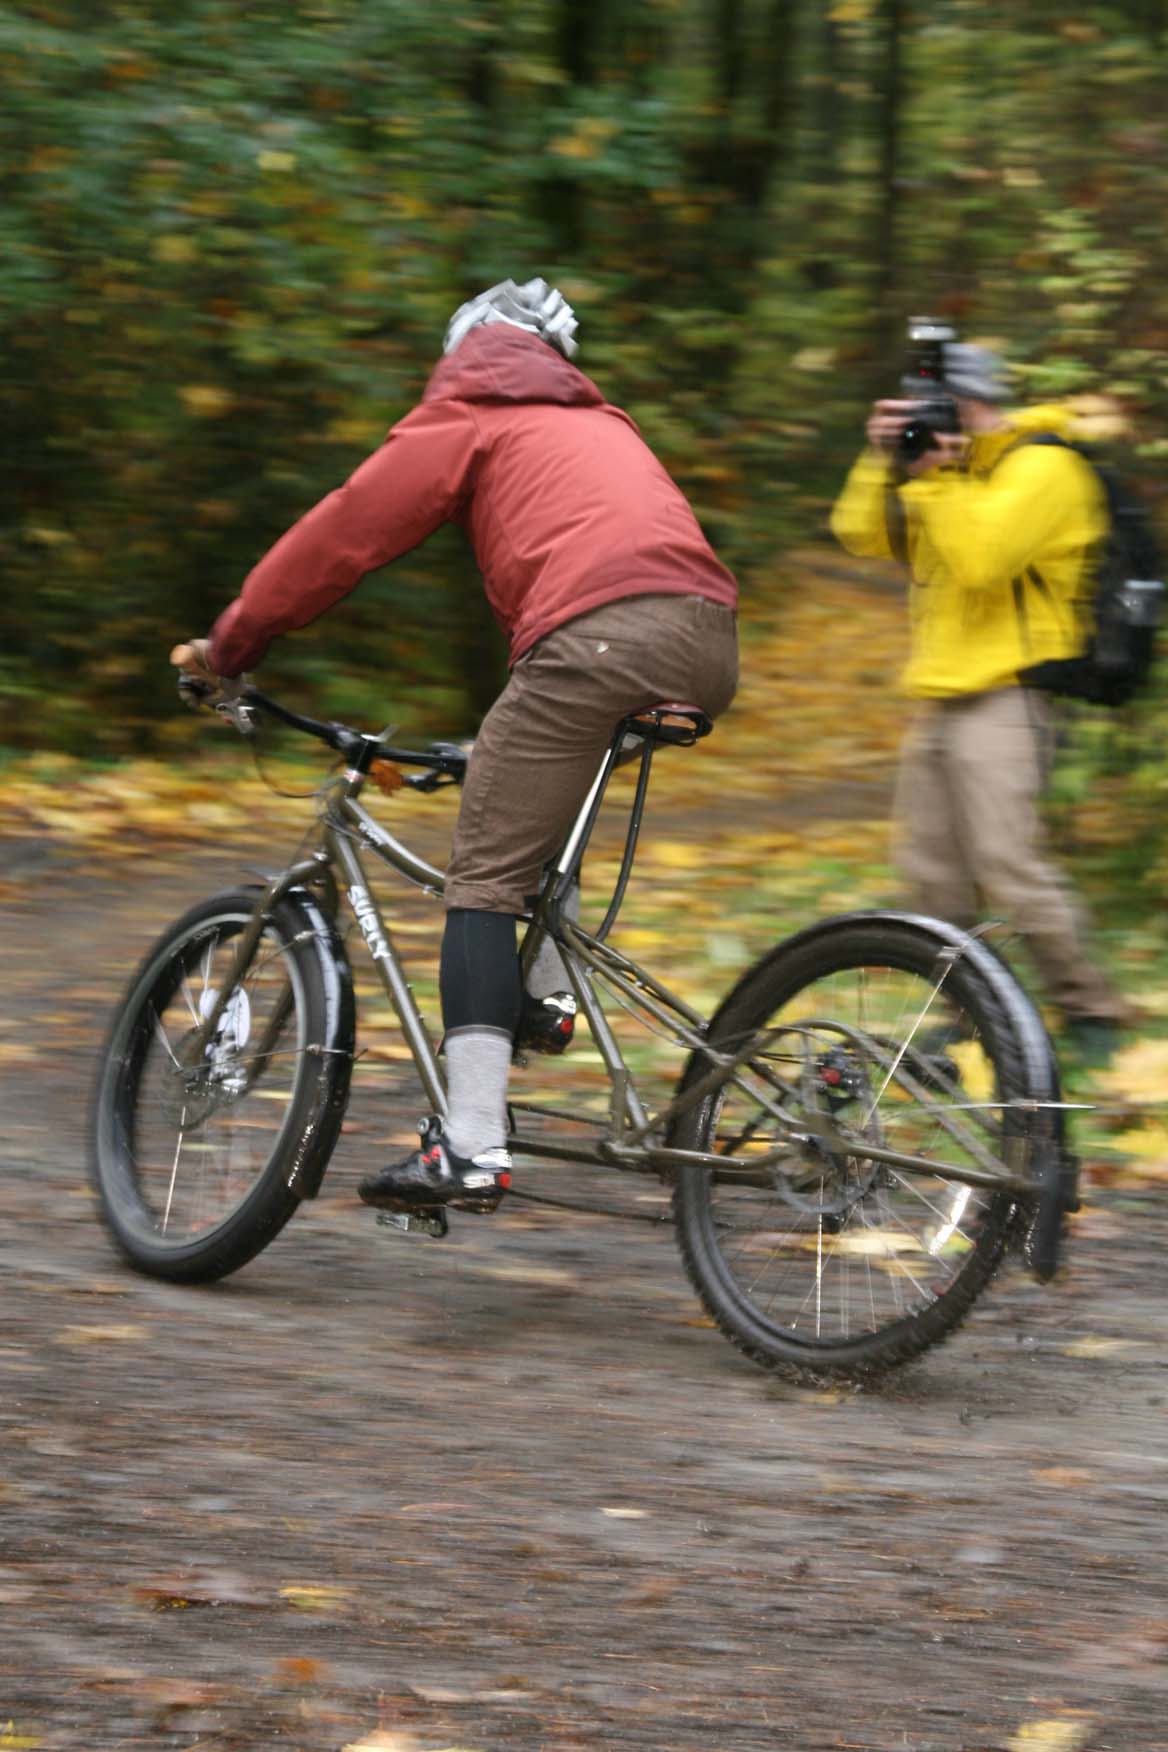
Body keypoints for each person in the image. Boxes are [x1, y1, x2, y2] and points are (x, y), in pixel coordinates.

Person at [174, 278, 739, 1213]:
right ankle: (545, 1002)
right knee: (530, 809)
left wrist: (232, 646)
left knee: (482, 879)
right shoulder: (599, 422)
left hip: (597, 634)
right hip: (706, 637)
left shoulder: (474, 407)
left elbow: (344, 534)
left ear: (467, 348)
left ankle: (470, 1144)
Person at [830, 339, 1130, 1061]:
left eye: (937, 405)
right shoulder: (950, 470)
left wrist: (932, 475)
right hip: (941, 692)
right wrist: (882, 458)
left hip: (1010, 692)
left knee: (1008, 864)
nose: (927, 419)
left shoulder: (1045, 469)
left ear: (976, 403)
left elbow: (981, 560)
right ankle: (955, 1020)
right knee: (932, 871)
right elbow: (858, 535)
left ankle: (1094, 1012)